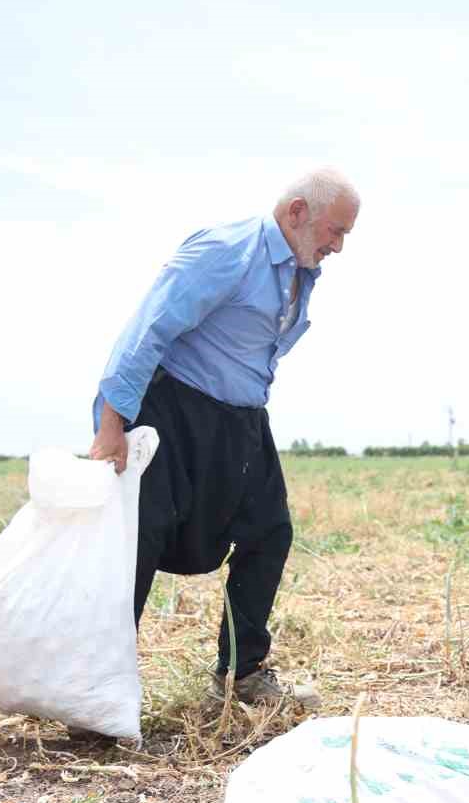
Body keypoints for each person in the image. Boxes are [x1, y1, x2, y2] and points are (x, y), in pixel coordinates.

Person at [89, 168, 360, 704]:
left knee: (270, 531)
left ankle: (242, 673)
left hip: (243, 419)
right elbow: (148, 329)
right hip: (174, 409)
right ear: (297, 212)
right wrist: (111, 424)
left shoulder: (299, 270)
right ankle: (98, 687)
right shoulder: (226, 250)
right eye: (335, 231)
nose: (338, 246)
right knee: (138, 540)